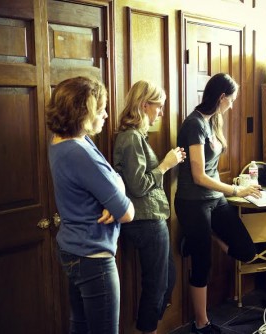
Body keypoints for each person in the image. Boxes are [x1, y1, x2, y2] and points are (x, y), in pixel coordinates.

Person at [46, 76, 135, 334]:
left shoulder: (64, 140)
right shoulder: (79, 152)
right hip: (93, 259)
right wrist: (115, 198)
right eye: (101, 109)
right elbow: (127, 212)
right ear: (83, 113)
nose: (106, 114)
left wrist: (112, 194)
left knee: (81, 326)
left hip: (72, 250)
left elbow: (114, 179)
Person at [174, 73, 261, 333]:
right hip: (193, 202)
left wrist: (232, 189)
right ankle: (202, 324)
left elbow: (210, 171)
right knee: (202, 264)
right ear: (221, 97)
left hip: (215, 200)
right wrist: (237, 189)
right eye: (231, 100)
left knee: (246, 250)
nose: (232, 105)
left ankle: (206, 235)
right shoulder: (194, 125)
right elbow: (199, 176)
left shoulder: (214, 122)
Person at [113, 80, 186, 334]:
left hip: (151, 219)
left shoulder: (136, 137)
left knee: (166, 280)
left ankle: (148, 328)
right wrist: (166, 164)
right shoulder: (131, 138)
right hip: (145, 222)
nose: (161, 113)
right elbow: (138, 186)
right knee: (156, 285)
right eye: (159, 107)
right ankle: (147, 330)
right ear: (145, 105)